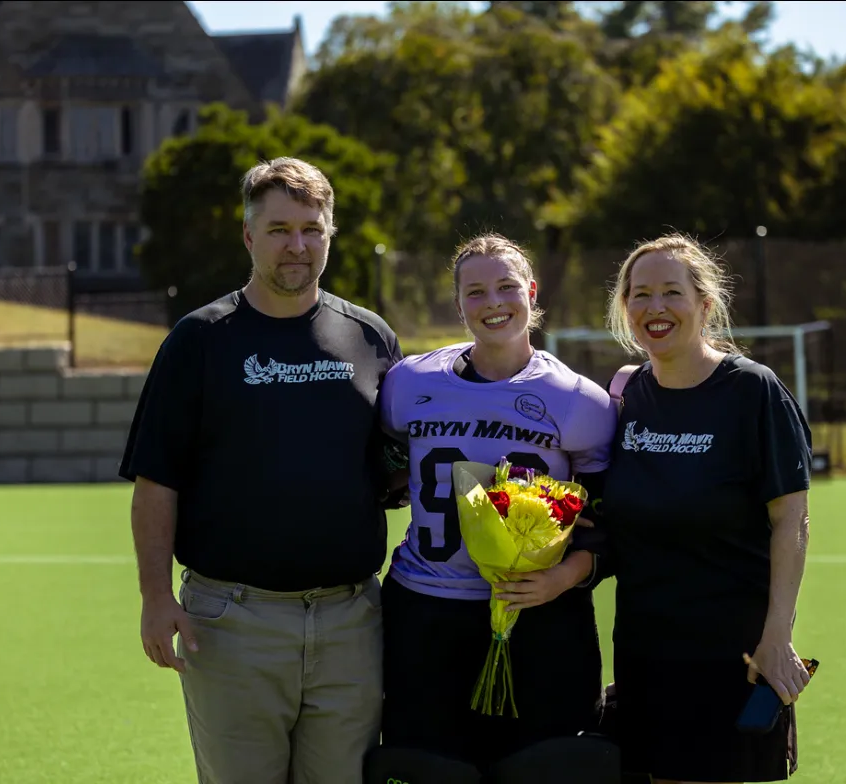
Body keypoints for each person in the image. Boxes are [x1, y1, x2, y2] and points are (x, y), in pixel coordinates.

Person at [119, 157, 405, 784]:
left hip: (350, 621)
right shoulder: (199, 340)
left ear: (330, 234)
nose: (297, 245)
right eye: (279, 230)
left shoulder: (372, 338)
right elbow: (156, 481)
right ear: (249, 236)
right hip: (232, 621)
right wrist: (154, 597)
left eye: (311, 229)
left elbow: (392, 466)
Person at [371, 233, 620, 780]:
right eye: (476, 292)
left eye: (507, 287)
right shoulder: (409, 383)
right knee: (430, 768)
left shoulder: (579, 400)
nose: (493, 303)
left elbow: (607, 521)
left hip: (539, 613)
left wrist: (562, 578)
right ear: (458, 303)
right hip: (427, 608)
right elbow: (385, 465)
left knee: (543, 767)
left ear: (532, 292)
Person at [600, 233, 814, 784]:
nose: (656, 307)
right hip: (644, 650)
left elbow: (791, 520)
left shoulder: (752, 391)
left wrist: (777, 637)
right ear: (625, 307)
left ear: (705, 303)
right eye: (641, 294)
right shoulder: (625, 396)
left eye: (672, 292)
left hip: (730, 652)